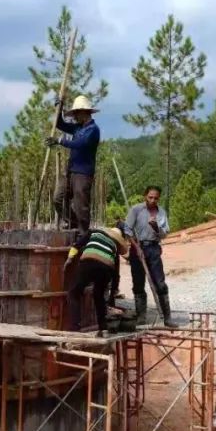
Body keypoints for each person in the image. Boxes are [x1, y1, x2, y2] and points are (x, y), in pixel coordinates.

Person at [47, 95, 100, 231]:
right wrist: (59, 109)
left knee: (81, 205)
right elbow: (60, 124)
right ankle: (73, 221)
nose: (74, 116)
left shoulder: (93, 130)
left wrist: (60, 141)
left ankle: (83, 234)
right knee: (58, 198)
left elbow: (80, 144)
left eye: (76, 113)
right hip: (70, 171)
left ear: (84, 112)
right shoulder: (77, 128)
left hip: (83, 173)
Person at [63, 223, 129, 332]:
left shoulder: (93, 233)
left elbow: (76, 245)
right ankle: (102, 326)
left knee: (74, 292)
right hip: (106, 268)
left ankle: (75, 327)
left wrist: (69, 259)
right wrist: (113, 292)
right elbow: (115, 273)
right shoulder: (114, 247)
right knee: (98, 296)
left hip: (88, 262)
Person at [124, 186, 175, 327]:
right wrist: (136, 247)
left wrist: (156, 227)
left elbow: (164, 234)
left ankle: (167, 317)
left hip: (153, 249)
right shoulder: (136, 210)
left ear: (159, 198)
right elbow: (127, 230)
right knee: (138, 284)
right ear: (145, 196)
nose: (152, 200)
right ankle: (141, 317)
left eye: (156, 198)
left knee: (160, 283)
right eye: (150, 197)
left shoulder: (161, 213)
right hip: (137, 248)